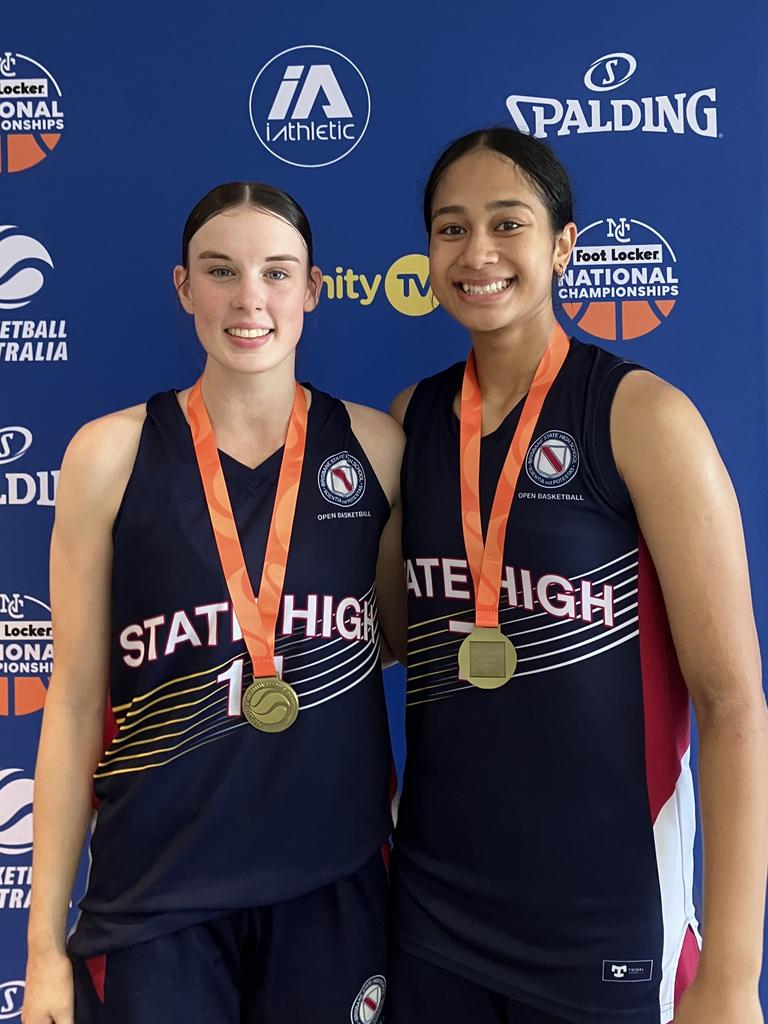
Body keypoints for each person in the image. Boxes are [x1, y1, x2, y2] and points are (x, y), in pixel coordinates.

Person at [387, 128, 768, 1024]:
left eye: (507, 223)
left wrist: (731, 976)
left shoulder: (644, 416)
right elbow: (397, 635)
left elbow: (732, 702)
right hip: (435, 908)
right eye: (450, 229)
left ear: (563, 245)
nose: (476, 253)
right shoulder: (414, 421)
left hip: (607, 915)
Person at [23, 181, 404, 1024]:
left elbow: (400, 638)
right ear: (183, 288)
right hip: (158, 899)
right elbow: (78, 699)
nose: (250, 299)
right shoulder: (110, 454)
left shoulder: (376, 450)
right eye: (221, 271)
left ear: (312, 288)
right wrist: (41, 945)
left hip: (332, 888)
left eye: (277, 273)